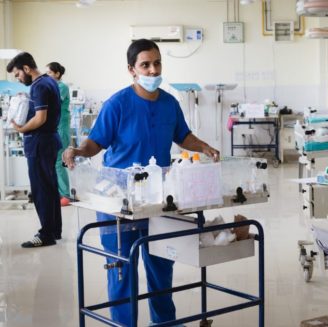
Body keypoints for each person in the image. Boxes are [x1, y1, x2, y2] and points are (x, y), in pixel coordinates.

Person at [63, 39, 219, 326]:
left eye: (157, 63)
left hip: (158, 197)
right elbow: (95, 143)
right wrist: (77, 150)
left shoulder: (169, 103)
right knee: (122, 270)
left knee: (161, 265)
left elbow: (182, 136)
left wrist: (204, 147)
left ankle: (164, 323)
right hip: (118, 199)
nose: (152, 70)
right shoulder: (117, 104)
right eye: (145, 65)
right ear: (131, 70)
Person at [6, 52, 63, 248]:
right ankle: (55, 229)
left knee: (41, 190)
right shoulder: (50, 81)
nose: (18, 78)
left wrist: (20, 128)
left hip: (40, 142)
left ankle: (46, 234)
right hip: (49, 141)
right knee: (50, 187)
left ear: (27, 69)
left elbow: (40, 118)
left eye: (17, 74)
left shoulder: (39, 86)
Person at [46, 62, 71, 207]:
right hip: (55, 127)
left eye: (49, 73)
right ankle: (60, 192)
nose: (47, 75)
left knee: (58, 162)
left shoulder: (61, 87)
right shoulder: (53, 87)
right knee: (54, 162)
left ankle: (66, 195)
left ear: (57, 74)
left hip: (61, 127)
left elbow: (53, 102)